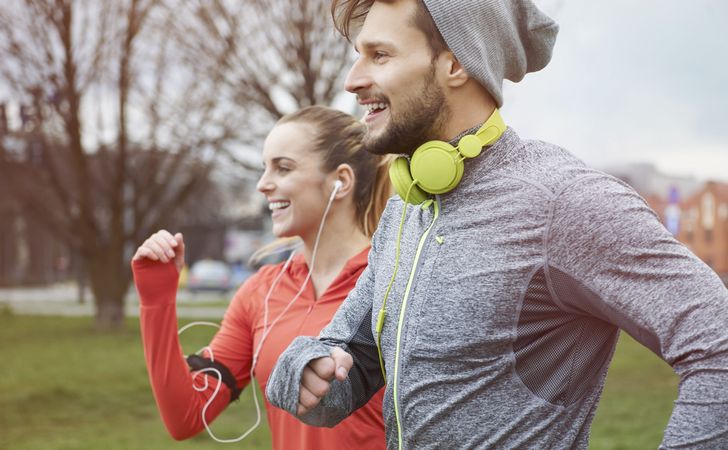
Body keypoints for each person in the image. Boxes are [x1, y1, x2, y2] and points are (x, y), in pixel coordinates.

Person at [265, 1, 728, 449]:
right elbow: (351, 362)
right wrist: (309, 369)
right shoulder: (407, 207)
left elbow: (718, 341)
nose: (353, 80)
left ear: (455, 64)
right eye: (358, 57)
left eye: (379, 55)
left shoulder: (562, 201)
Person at [131, 106, 391, 449]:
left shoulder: (394, 281)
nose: (263, 185)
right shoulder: (261, 292)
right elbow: (186, 416)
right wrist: (156, 300)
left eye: (283, 168)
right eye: (264, 168)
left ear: (340, 181)